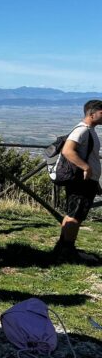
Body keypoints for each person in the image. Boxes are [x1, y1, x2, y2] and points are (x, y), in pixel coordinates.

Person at [52, 100, 102, 262]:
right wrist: (86, 168)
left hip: (85, 181)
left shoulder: (88, 130)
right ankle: (68, 252)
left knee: (71, 214)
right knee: (75, 216)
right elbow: (67, 150)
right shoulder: (82, 131)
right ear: (91, 114)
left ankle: (62, 247)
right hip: (82, 181)